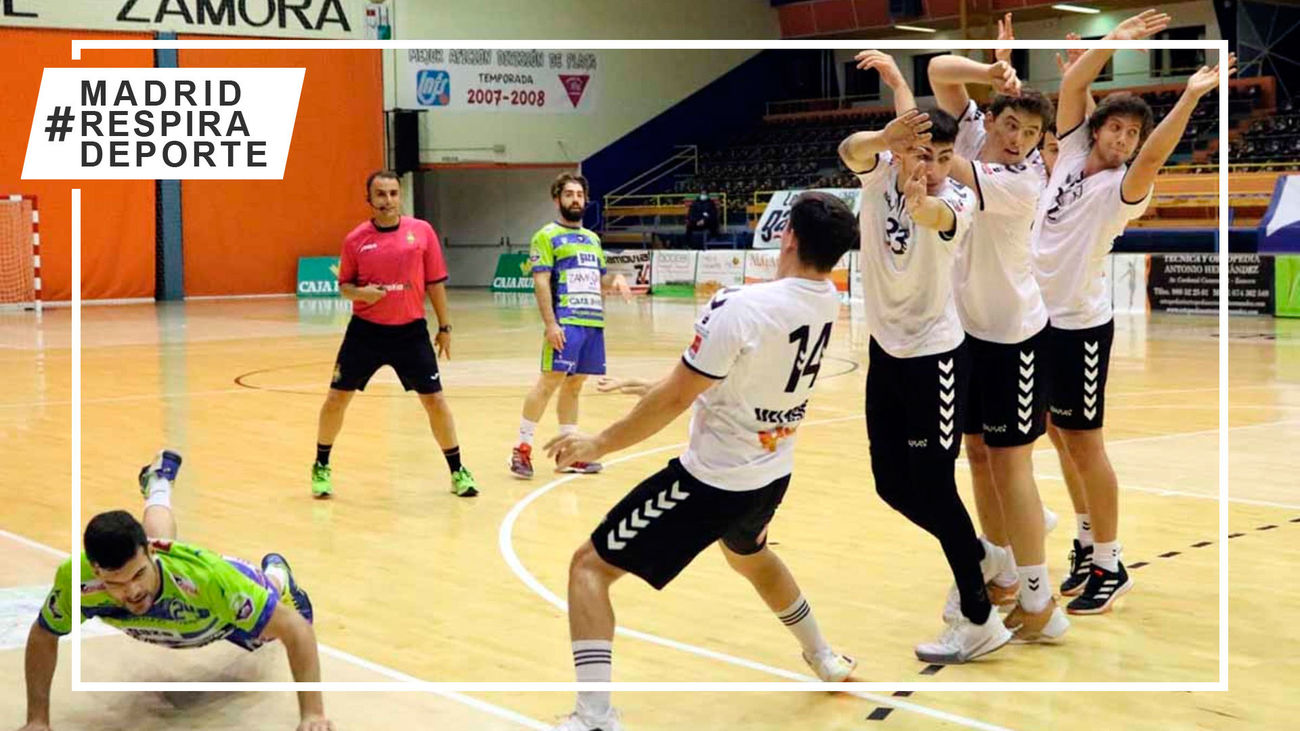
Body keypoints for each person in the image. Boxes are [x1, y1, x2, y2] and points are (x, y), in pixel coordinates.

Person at [543, 192, 860, 731]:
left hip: (711, 483)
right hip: (771, 473)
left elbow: (676, 399)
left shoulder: (743, 306)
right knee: (751, 558)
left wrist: (598, 444)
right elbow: (728, 376)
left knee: (588, 568)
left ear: (787, 238)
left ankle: (594, 716)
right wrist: (656, 385)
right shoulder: (825, 299)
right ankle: (824, 656)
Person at [1033, 17, 1233, 614]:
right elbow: (1071, 92)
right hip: (1036, 322)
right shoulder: (1069, 152)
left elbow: (1157, 152)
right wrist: (1109, 45)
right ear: (1096, 131)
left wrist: (1191, 96)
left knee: (1086, 446)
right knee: (1059, 439)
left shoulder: (1125, 187)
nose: (1123, 139)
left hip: (1080, 327)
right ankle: (1086, 541)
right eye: (1115, 128)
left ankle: (1112, 563)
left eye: (1131, 134)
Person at [840, 95, 1013, 663]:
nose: (932, 168)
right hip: (885, 353)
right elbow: (848, 150)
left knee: (936, 487)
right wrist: (883, 137)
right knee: (890, 484)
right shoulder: (881, 173)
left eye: (942, 158)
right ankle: (979, 552)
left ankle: (980, 617)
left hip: (935, 359)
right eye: (922, 156)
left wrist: (923, 204)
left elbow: (937, 218)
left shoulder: (957, 200)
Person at [925, 26, 1070, 640]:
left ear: (1041, 144)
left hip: (1013, 337)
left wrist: (927, 138)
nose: (1017, 140)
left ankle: (1040, 602)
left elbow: (945, 158)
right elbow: (938, 69)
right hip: (967, 334)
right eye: (1010, 126)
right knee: (978, 457)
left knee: (1012, 463)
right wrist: (992, 71)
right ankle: (1004, 571)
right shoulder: (981, 133)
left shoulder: (1022, 182)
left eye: (1031, 134)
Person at [18, 452, 332, 731]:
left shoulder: (208, 578)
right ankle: (158, 481)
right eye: (117, 584)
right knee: (159, 539)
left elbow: (296, 628)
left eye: (138, 574)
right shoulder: (78, 580)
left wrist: (312, 715)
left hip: (218, 603)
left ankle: (278, 573)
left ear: (150, 553)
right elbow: (44, 634)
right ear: (96, 571)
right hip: (171, 579)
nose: (133, 591)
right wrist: (37, 720)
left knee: (266, 630)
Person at [312, 170, 478, 499]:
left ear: (400, 196)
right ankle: (321, 465)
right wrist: (362, 294)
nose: (387, 200)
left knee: (436, 401)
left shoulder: (422, 232)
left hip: (411, 333)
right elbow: (344, 286)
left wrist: (445, 327)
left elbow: (435, 283)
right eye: (380, 194)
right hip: (365, 334)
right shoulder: (355, 239)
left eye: (393, 193)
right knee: (336, 399)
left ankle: (458, 471)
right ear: (369, 200)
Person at [510, 173, 630, 479]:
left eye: (579, 195)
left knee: (575, 386)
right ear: (557, 200)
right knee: (548, 383)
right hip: (565, 322)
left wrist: (614, 279)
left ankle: (569, 453)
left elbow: (598, 279)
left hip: (592, 323)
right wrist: (551, 324)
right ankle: (522, 449)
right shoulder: (546, 236)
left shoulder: (593, 239)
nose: (575, 199)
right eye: (569, 195)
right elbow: (540, 282)